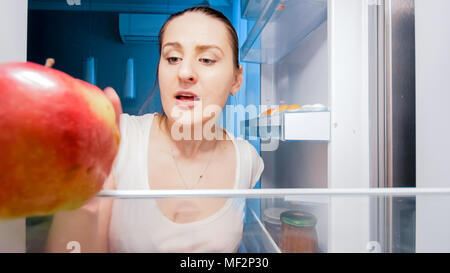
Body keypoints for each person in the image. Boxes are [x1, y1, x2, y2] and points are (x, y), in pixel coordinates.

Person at [45, 6, 264, 253]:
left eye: (206, 59)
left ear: (237, 79)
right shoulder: (119, 138)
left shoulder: (247, 159)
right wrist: (81, 200)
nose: (185, 72)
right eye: (172, 58)